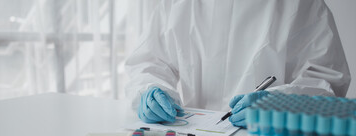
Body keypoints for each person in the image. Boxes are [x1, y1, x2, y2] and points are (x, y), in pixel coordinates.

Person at [125, 0, 350, 127]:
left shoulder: (302, 5)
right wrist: (152, 90)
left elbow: (327, 77)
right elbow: (150, 60)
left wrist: (281, 104)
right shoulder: (176, 4)